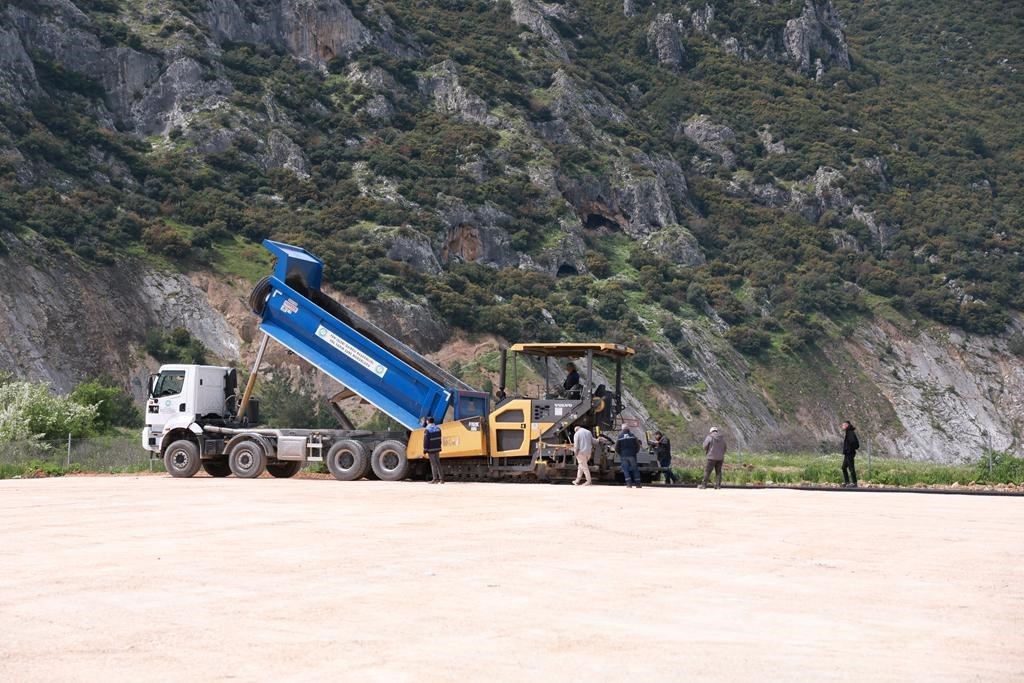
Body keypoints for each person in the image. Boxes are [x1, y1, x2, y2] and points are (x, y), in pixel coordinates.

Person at [424, 417, 444, 484]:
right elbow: (439, 437)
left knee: (433, 464)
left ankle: (435, 479)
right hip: (437, 448)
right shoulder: (438, 428)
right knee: (438, 463)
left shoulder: (427, 429)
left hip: (431, 449)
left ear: (428, 421)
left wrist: (425, 449)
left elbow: (426, 441)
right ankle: (442, 479)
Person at [840, 420, 860, 488]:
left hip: (849, 453)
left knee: (851, 468)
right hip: (847, 453)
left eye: (843, 425)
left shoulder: (850, 433)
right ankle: (847, 482)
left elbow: (853, 443)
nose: (842, 426)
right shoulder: (848, 432)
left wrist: (849, 450)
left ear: (847, 425)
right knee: (843, 467)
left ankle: (854, 483)